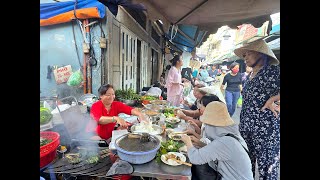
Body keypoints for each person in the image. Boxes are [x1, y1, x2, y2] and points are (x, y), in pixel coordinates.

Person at [234, 39, 280, 179]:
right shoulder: (249, 76)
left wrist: (274, 100)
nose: (245, 58)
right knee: (247, 165)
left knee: (267, 168)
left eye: (248, 54)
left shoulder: (272, 71)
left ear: (260, 54)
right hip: (246, 128)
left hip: (266, 131)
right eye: (244, 55)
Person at [180, 101, 253, 180]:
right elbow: (216, 149)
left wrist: (187, 141)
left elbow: (195, 158)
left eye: (208, 124)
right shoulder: (231, 136)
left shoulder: (226, 142)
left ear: (214, 125)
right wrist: (199, 143)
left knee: (196, 169)